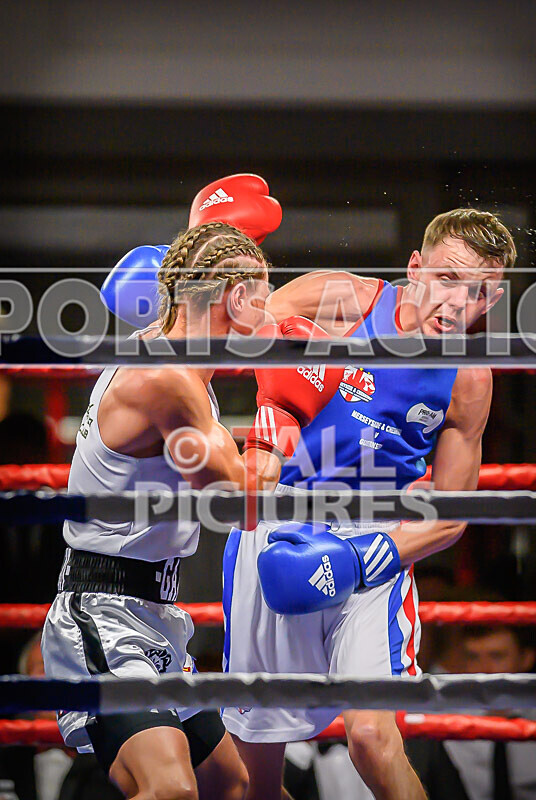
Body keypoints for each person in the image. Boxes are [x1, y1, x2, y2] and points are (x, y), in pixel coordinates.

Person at [102, 182, 516, 799]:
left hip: (376, 545)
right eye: (448, 278)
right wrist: (191, 270)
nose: (458, 302)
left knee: (373, 739)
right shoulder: (338, 299)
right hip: (277, 528)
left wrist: (364, 558)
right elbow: (231, 330)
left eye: (479, 291)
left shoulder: (469, 380)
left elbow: (453, 516)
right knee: (257, 776)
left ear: (495, 298)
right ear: (415, 267)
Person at [42, 215, 343, 800]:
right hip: (102, 616)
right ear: (234, 298)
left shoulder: (174, 350)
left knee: (235, 787)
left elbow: (209, 286)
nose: (270, 315)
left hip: (155, 614)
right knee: (171, 789)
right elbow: (241, 503)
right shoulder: (167, 381)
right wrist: (283, 409)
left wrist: (214, 243)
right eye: (260, 298)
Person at [408, 624, 536, 800]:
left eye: (497, 656)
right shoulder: (442, 721)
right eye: (473, 657)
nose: (484, 668)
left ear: (526, 659)